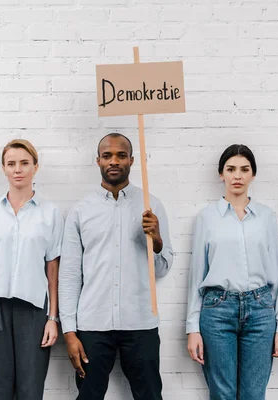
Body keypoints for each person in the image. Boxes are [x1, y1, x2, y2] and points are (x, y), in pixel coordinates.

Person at [59, 133, 174, 400]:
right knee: (88, 396)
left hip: (141, 323)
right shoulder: (80, 211)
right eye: (107, 155)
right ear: (97, 160)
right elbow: (69, 276)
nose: (114, 161)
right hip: (92, 324)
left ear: (132, 160)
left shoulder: (151, 206)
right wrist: (69, 332)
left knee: (150, 396)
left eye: (121, 155)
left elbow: (162, 270)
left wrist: (156, 240)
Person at [186, 144, 278, 400]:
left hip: (261, 309)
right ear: (221, 174)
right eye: (231, 169)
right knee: (223, 394)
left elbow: (276, 270)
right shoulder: (207, 217)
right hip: (217, 310)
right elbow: (197, 274)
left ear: (253, 174)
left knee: (254, 394)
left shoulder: (266, 217)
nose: (237, 176)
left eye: (244, 169)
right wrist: (192, 328)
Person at [0, 139, 62, 400]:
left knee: (30, 391)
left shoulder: (50, 213)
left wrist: (52, 319)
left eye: (24, 163)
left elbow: (53, 270)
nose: (17, 169)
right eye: (11, 164)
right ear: (3, 169)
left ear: (35, 167)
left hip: (33, 310)